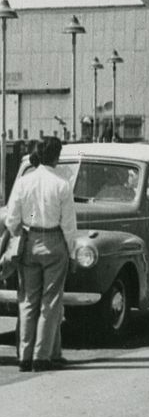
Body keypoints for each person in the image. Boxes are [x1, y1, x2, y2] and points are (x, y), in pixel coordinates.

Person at [4, 137, 76, 372]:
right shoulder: (62, 184)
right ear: (56, 156)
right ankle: (41, 356)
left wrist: (18, 235)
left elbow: (12, 218)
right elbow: (68, 224)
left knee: (27, 300)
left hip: (29, 240)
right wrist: (71, 250)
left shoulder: (25, 181)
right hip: (54, 240)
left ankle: (24, 355)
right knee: (50, 301)